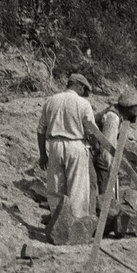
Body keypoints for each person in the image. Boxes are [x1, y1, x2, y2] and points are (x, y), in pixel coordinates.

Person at [38, 73, 105, 225]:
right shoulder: (82, 104)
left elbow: (40, 130)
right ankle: (76, 223)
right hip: (76, 145)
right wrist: (95, 147)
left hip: (55, 145)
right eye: (84, 90)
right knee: (78, 187)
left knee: (55, 186)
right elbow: (91, 130)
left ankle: (57, 221)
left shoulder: (50, 101)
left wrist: (42, 154)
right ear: (80, 87)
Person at [92, 90, 137, 211]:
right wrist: (112, 167)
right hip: (96, 152)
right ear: (134, 107)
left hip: (99, 150)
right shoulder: (113, 118)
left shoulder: (122, 117)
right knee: (104, 180)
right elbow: (107, 147)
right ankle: (103, 213)